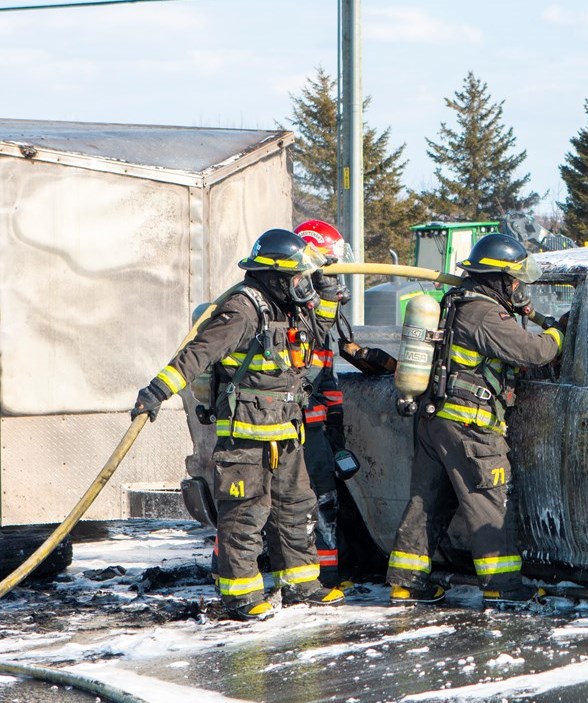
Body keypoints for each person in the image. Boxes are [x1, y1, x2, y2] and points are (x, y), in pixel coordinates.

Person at [132, 229, 347, 621]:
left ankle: (301, 584)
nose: (302, 285)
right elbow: (196, 354)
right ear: (276, 276)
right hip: (246, 438)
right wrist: (156, 392)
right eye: (297, 278)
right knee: (245, 514)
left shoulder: (289, 307)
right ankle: (241, 596)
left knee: (295, 509)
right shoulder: (243, 310)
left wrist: (327, 296)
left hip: (285, 434)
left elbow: (318, 333)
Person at [385, 233, 563, 606]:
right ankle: (504, 587)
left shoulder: (456, 301)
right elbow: (534, 352)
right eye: (513, 280)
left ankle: (406, 583)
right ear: (497, 279)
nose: (517, 287)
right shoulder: (484, 314)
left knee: (427, 502)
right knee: (489, 501)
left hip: (437, 422)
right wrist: (558, 334)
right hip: (471, 429)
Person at [293, 219, 353, 587]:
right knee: (281, 506)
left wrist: (336, 425)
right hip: (288, 428)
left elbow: (325, 374)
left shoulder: (318, 320)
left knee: (325, 503)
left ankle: (327, 574)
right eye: (328, 267)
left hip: (314, 429)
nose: (334, 277)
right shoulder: (290, 312)